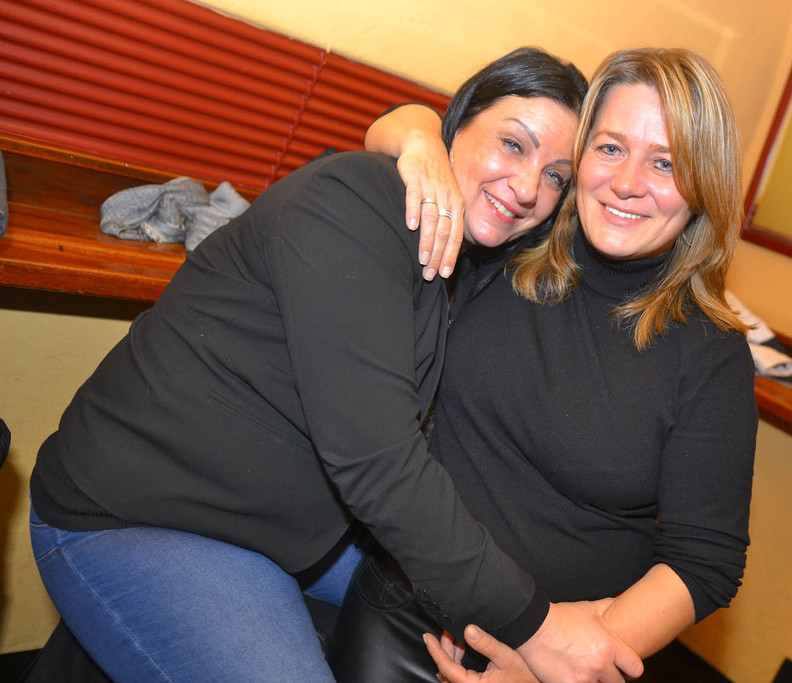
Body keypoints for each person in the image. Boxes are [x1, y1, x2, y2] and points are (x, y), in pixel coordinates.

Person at [27, 47, 644, 683]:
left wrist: (524, 633)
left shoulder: (474, 258)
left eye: (556, 177)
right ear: (456, 128)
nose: (528, 188)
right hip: (143, 514)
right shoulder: (356, 205)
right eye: (513, 145)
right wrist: (538, 627)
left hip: (290, 520)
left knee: (470, 622)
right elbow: (379, 463)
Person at [334, 46, 758, 682]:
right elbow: (394, 129)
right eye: (610, 148)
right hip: (412, 612)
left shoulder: (711, 352)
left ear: (704, 188)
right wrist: (423, 141)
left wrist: (555, 666)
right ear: (580, 156)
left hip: (576, 653)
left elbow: (704, 562)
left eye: (665, 162)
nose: (627, 183)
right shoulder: (511, 236)